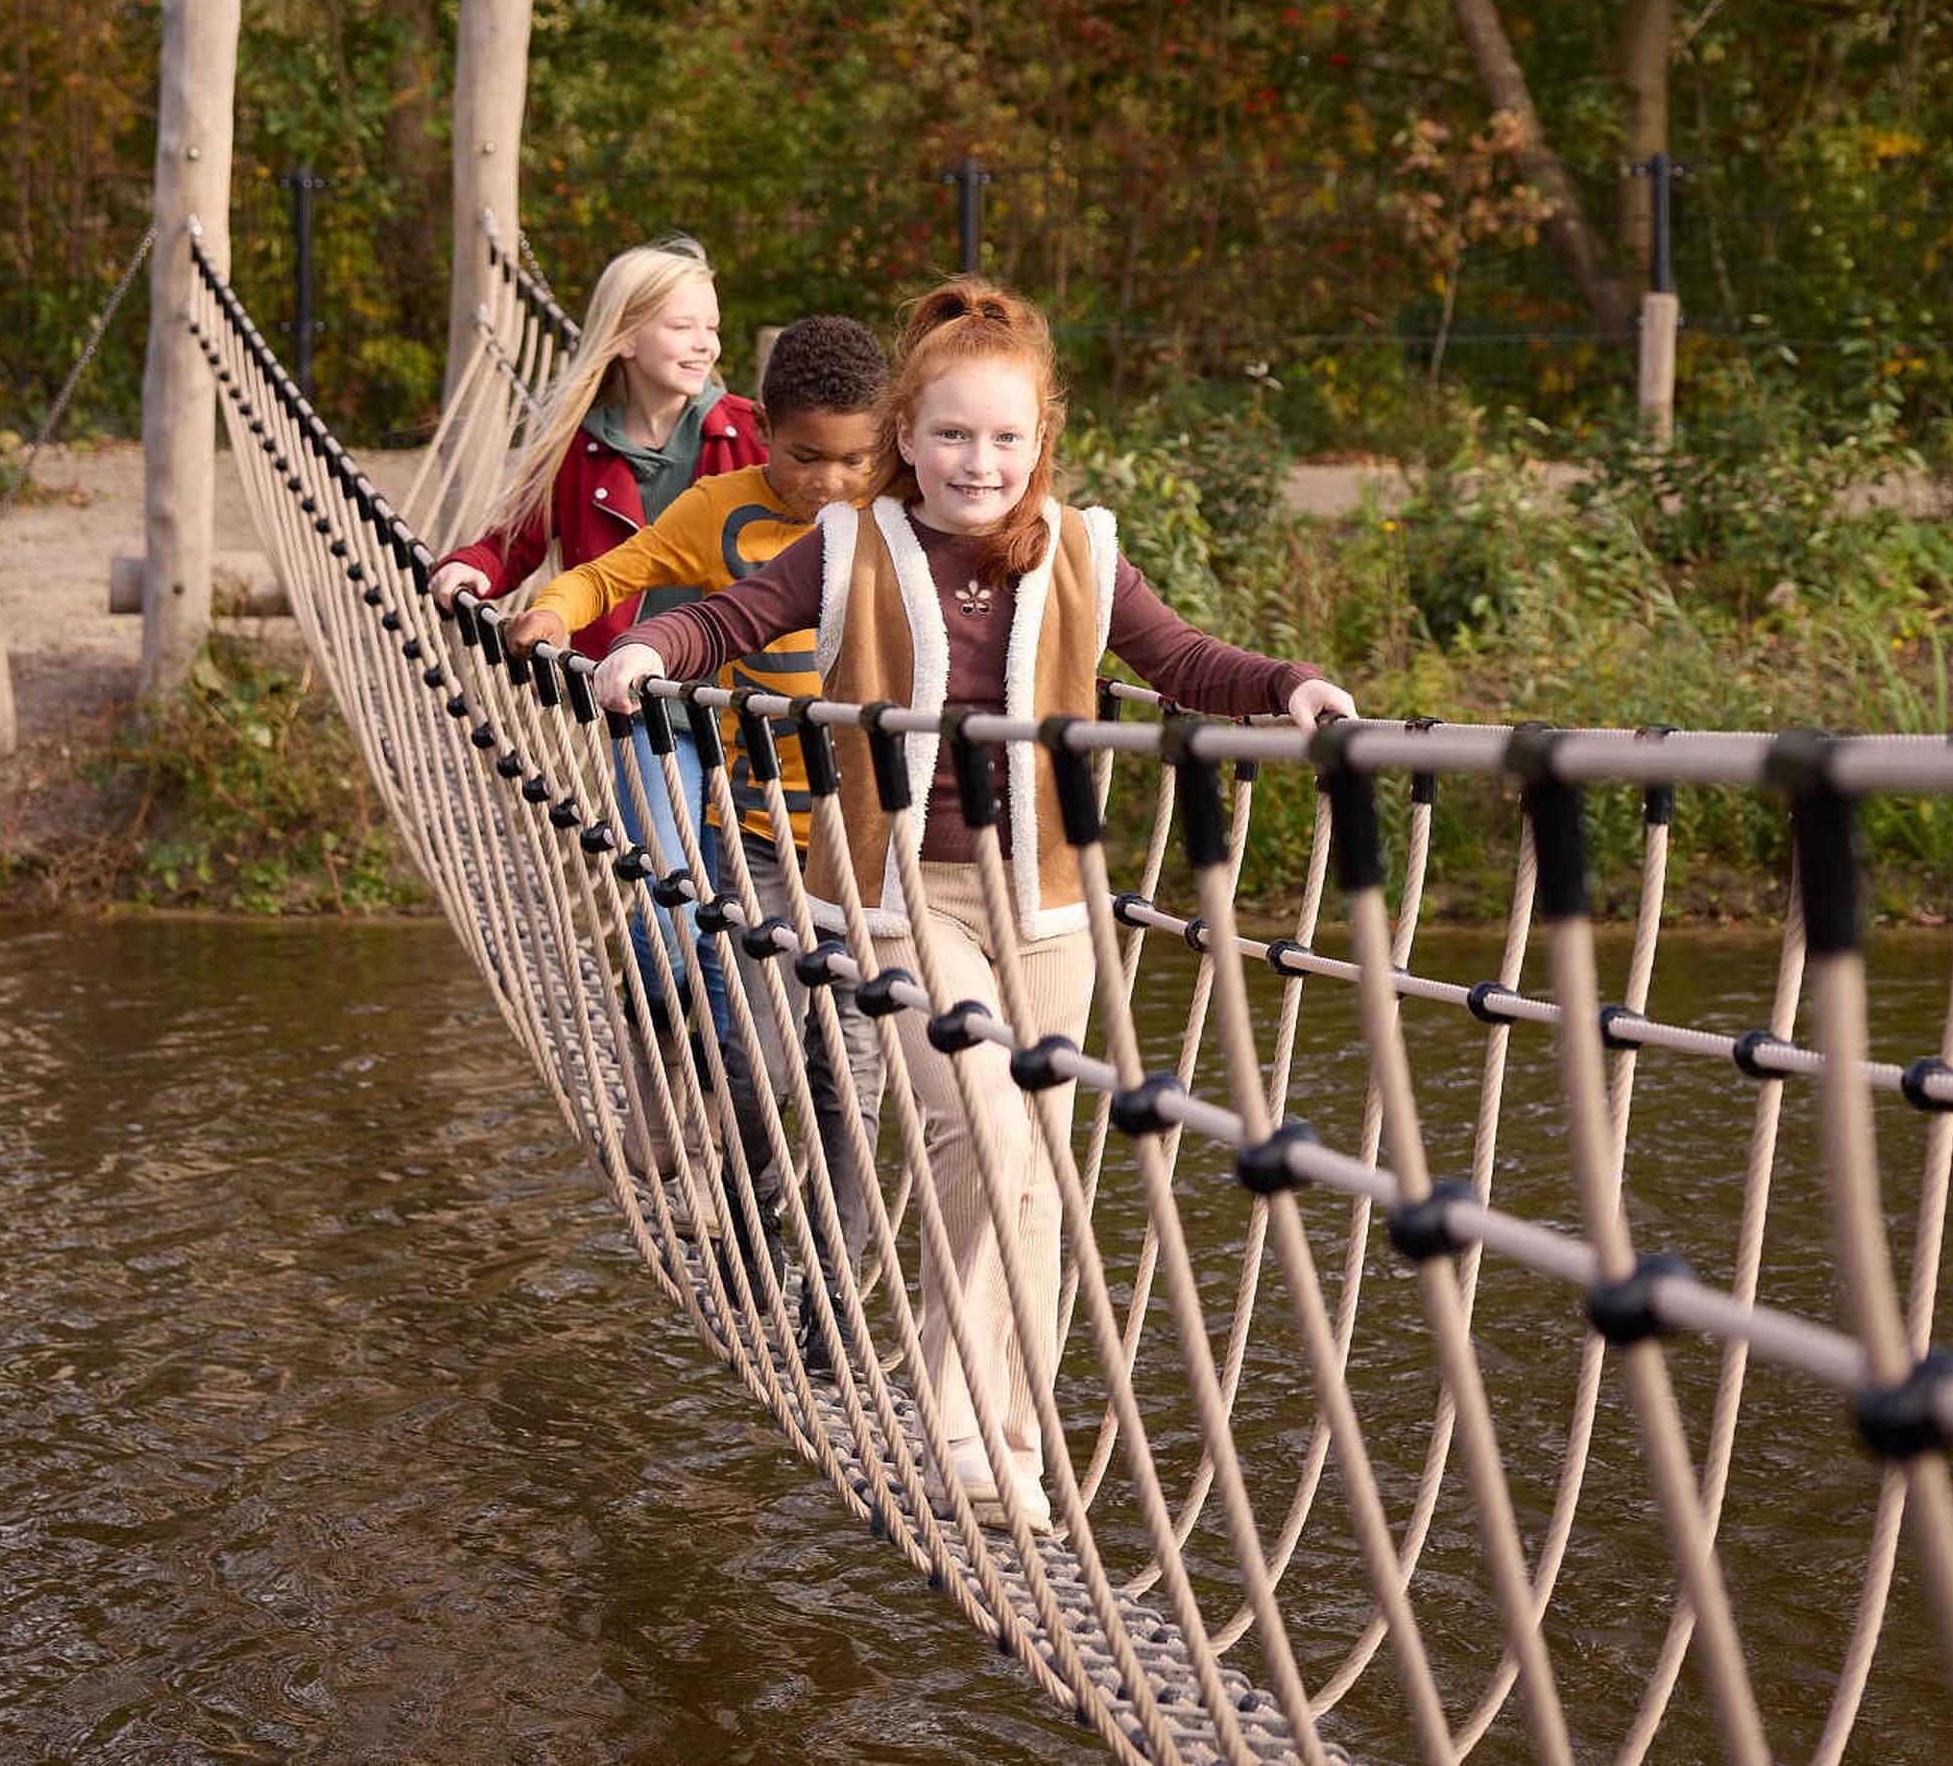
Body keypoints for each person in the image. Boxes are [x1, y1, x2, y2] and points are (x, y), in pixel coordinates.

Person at [593, 278, 1355, 1526]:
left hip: (1049, 901)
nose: (977, 461)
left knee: (1045, 1171)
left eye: (1006, 438)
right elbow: (727, 622)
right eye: (950, 434)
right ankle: (948, 1435)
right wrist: (644, 650)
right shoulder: (848, 548)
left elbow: (1181, 660)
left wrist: (1291, 688)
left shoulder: (1085, 551)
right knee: (978, 1132)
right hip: (902, 898)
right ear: (904, 436)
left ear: (1041, 441)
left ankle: (1013, 1438)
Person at [514, 314, 897, 1296]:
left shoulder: (902, 514)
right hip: (759, 838)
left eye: (856, 459)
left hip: (871, 849)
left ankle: (833, 1286)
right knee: (755, 1061)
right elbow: (617, 573)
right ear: (762, 428)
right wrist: (555, 612)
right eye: (807, 456)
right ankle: (753, 1210)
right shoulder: (720, 509)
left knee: (850, 1071)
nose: (831, 482)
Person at [428, 238, 768, 1156]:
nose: (705, 344)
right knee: (669, 900)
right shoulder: (580, 443)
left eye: (714, 327)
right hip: (639, 704)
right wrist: (470, 567)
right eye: (683, 325)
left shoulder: (750, 430)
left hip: (756, 705)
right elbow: (517, 535)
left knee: (742, 911)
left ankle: (738, 1108)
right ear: (625, 336)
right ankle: (671, 1066)